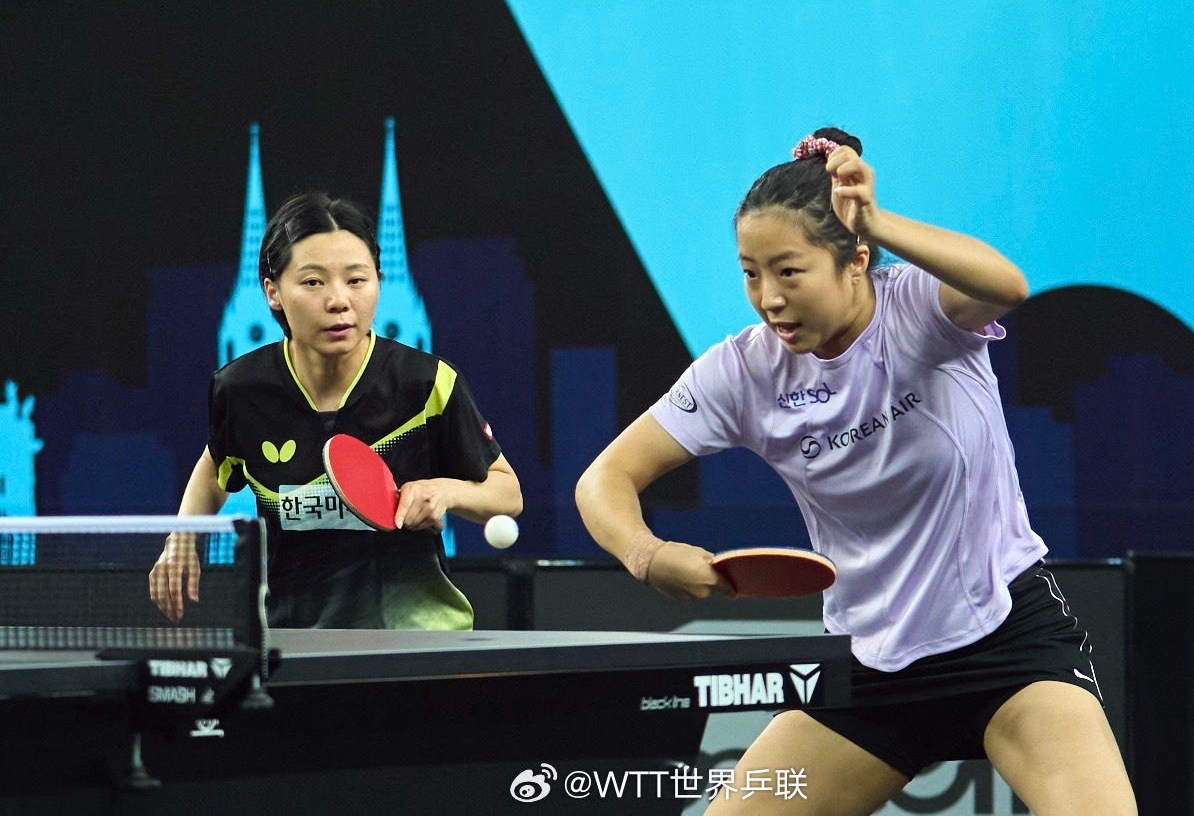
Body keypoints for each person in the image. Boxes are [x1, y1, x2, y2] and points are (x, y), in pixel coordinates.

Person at [575, 129, 1137, 814]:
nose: (768, 297)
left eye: (789, 271)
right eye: (750, 273)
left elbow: (1007, 285)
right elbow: (603, 479)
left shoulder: (921, 311)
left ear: (856, 260)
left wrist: (876, 218)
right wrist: (646, 554)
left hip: (1006, 643)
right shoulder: (743, 371)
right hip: (868, 668)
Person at [150, 191, 521, 629]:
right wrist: (183, 536)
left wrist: (446, 491)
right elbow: (217, 466)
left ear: (378, 282)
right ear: (273, 292)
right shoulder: (241, 390)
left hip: (416, 638)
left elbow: (507, 493)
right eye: (313, 282)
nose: (339, 300)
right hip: (294, 639)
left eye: (357, 280)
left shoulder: (427, 384)